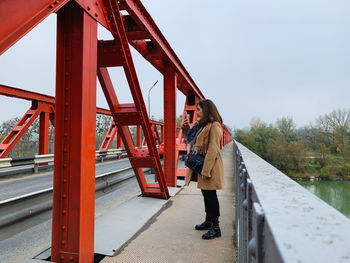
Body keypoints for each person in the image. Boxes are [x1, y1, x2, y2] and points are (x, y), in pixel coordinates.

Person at [181, 99, 225, 240]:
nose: (197, 112)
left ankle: (216, 227)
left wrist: (206, 170)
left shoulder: (215, 126)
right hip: (203, 165)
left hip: (210, 166)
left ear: (206, 110)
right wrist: (186, 129)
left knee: (211, 196)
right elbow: (191, 139)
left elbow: (213, 149)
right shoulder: (202, 125)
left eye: (199, 109)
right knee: (206, 194)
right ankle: (208, 220)